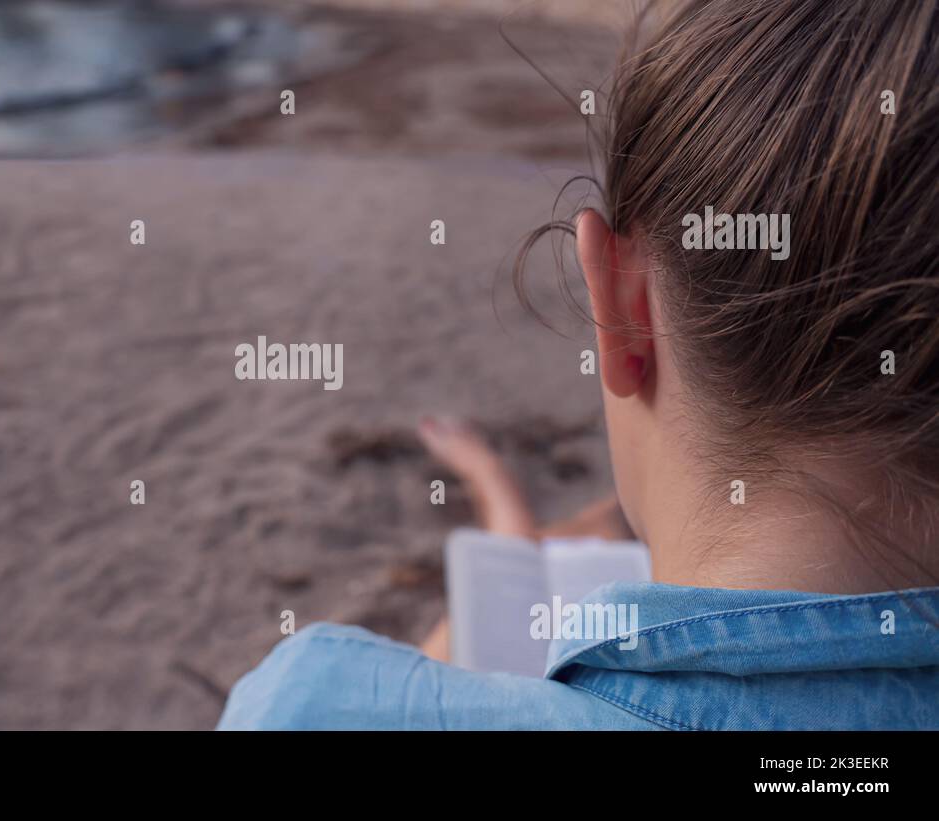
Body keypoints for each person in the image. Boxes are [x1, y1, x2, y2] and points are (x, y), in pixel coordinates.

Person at [217, 0, 939, 730]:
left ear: (623, 309)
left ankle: (508, 526)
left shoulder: (320, 710)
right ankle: (509, 521)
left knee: (495, 609)